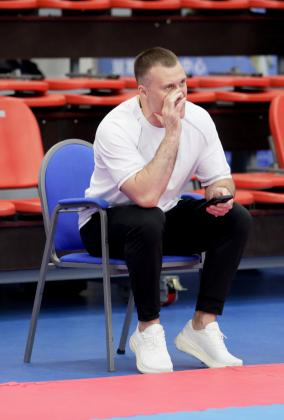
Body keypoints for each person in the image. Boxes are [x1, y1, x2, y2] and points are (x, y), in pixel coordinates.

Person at [79, 47, 252, 374]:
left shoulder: (199, 119)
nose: (179, 94)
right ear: (143, 92)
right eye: (168, 87)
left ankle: (202, 325)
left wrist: (219, 193)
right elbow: (145, 196)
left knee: (235, 218)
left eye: (182, 83)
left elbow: (220, 178)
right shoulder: (116, 126)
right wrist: (172, 131)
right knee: (148, 218)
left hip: (162, 216)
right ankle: (148, 329)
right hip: (105, 224)